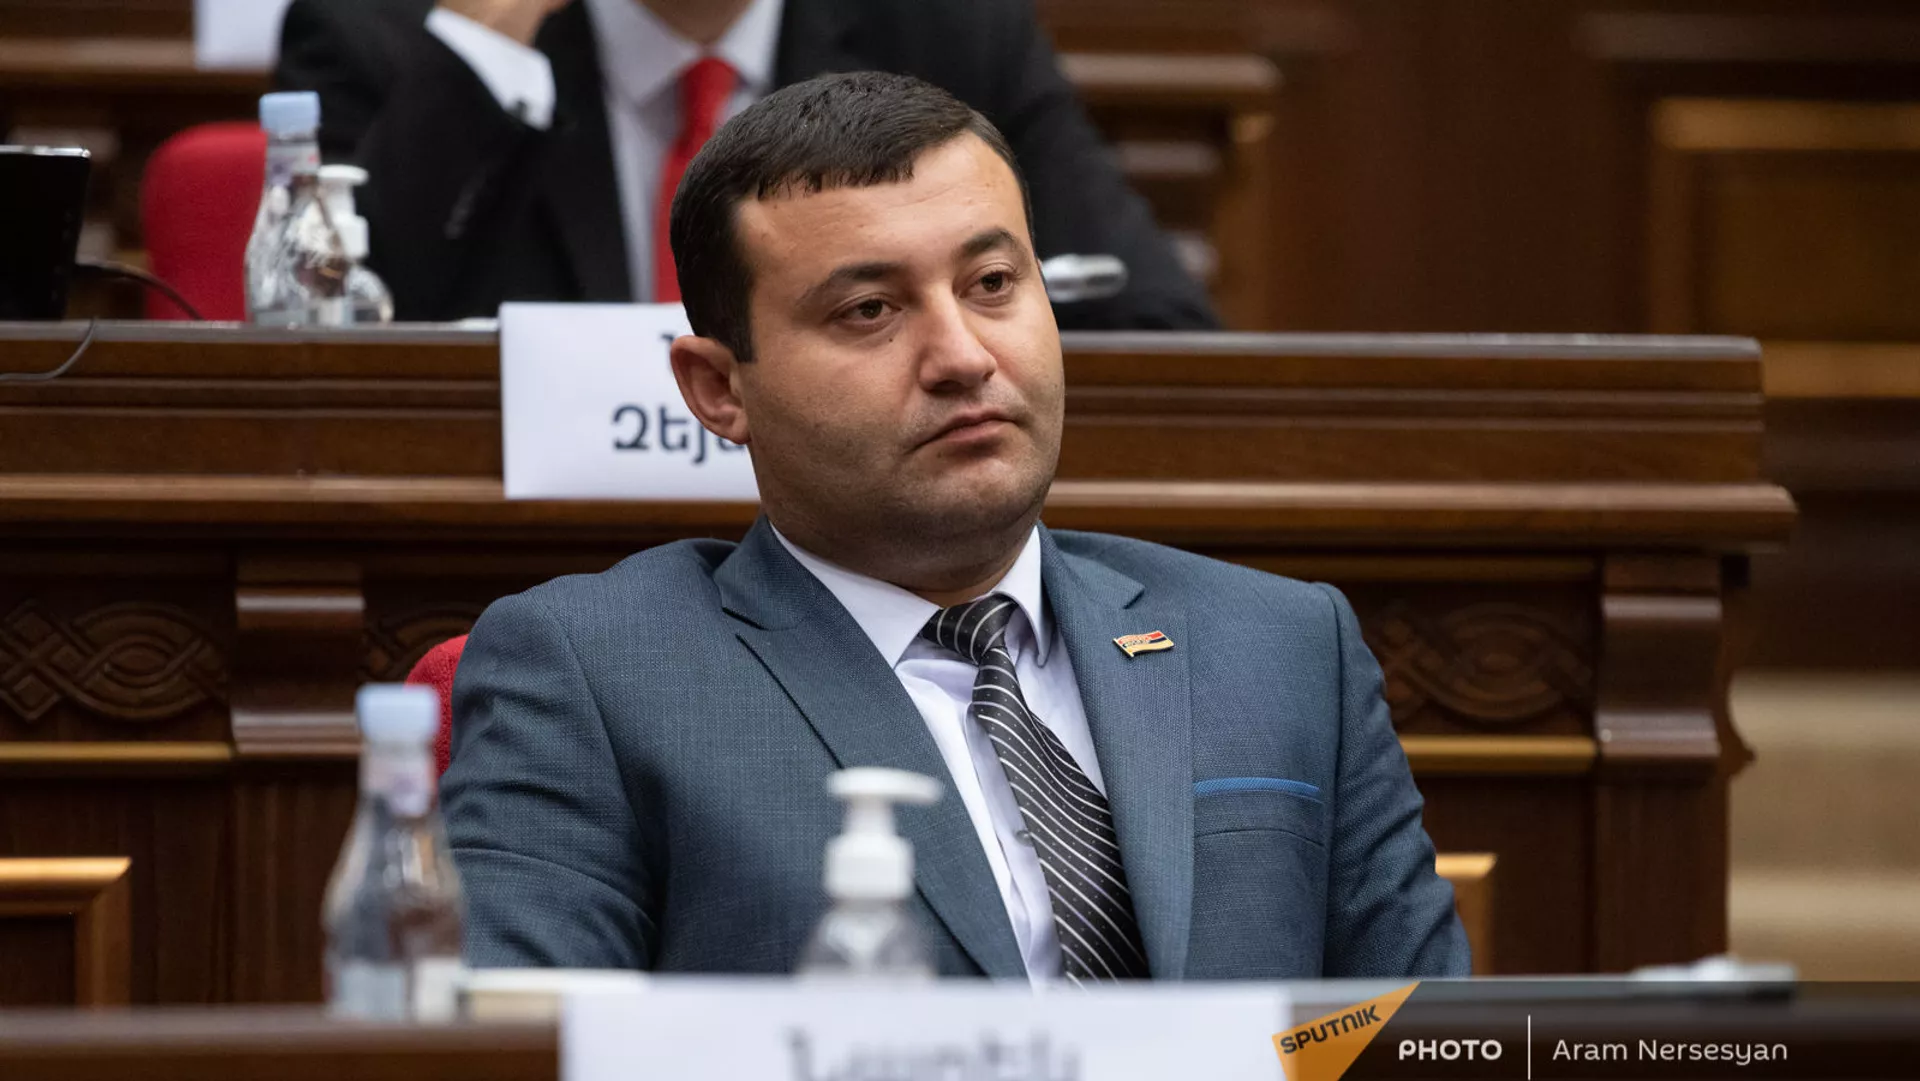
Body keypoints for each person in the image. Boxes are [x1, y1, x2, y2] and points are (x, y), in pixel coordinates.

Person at [445, 71, 1467, 981]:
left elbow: (1422, 1041)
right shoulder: (594, 674)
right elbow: (527, 1053)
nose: (963, 356)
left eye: (991, 285)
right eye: (869, 311)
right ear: (719, 388)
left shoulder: (1282, 645)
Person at [273, 0, 1217, 330]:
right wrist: (479, 53)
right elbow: (336, 363)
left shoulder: (944, 31)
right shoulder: (388, 40)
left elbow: (1154, 331)